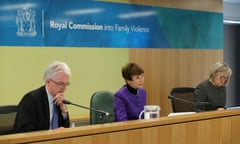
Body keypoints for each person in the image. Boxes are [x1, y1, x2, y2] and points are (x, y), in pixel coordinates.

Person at [14, 61, 71, 133]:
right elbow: (25, 132)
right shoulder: (31, 100)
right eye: (60, 83)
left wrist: (64, 112)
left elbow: (66, 130)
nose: (64, 88)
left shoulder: (59, 100)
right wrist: (52, 134)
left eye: (67, 84)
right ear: (48, 82)